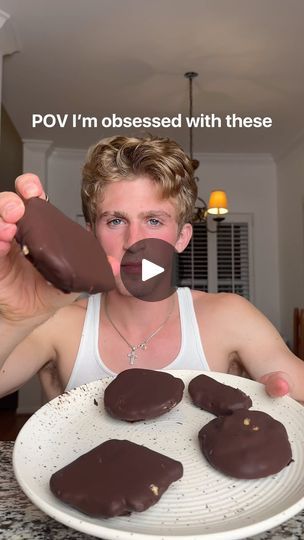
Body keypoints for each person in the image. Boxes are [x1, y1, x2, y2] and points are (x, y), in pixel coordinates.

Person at [0, 135, 303, 403]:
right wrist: (15, 318)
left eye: (154, 221)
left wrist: (277, 403)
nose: (133, 241)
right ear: (91, 233)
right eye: (115, 221)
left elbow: (294, 389)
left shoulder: (230, 316)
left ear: (181, 237)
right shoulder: (56, 322)